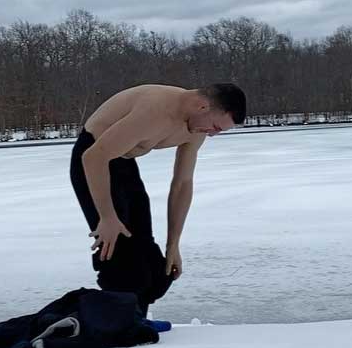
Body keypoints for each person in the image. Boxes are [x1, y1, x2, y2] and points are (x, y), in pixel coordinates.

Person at [69, 83, 246, 316]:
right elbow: (94, 157)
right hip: (92, 160)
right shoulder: (155, 109)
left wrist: (174, 243)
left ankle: (134, 320)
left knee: (159, 271)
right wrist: (107, 217)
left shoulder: (195, 127)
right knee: (121, 257)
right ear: (203, 106)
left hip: (122, 164)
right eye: (215, 127)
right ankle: (115, 323)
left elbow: (182, 184)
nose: (212, 134)